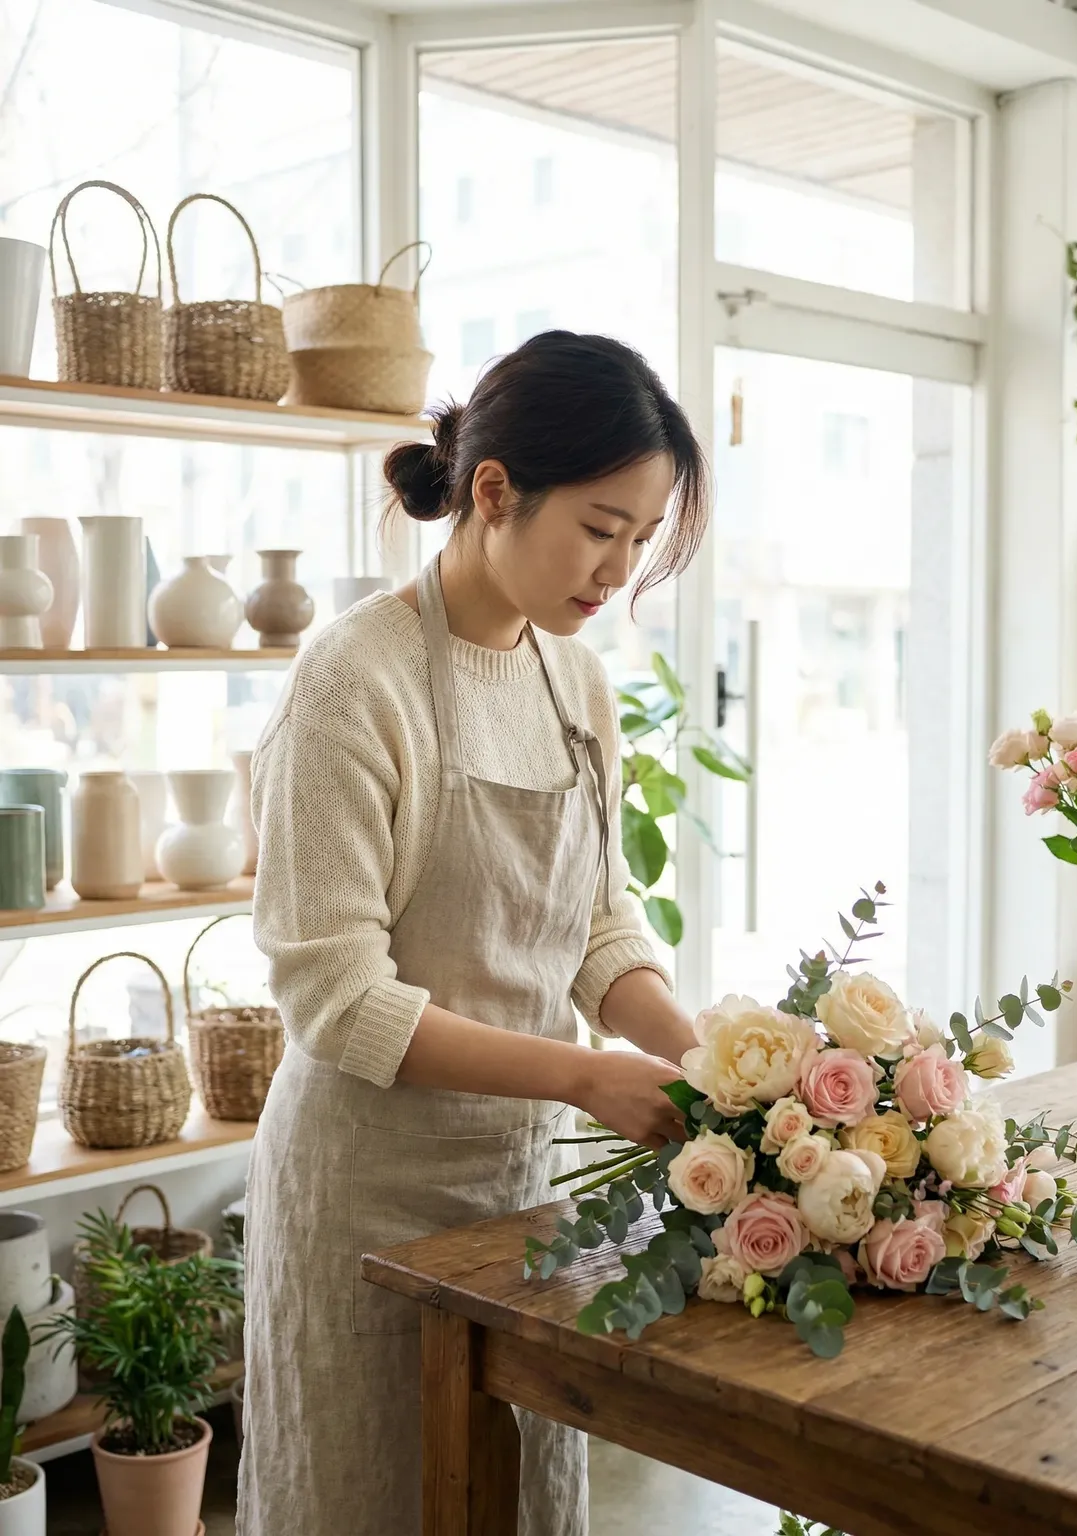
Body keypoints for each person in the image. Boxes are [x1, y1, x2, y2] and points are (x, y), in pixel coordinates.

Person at [236, 331, 710, 1536]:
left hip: (523, 1190)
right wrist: (590, 1077)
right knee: (367, 1495)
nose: (618, 570)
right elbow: (339, 999)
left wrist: (704, 1065)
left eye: (642, 541)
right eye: (601, 528)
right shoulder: (354, 678)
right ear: (492, 491)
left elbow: (600, 928)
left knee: (513, 1502)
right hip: (365, 1192)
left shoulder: (576, 680)